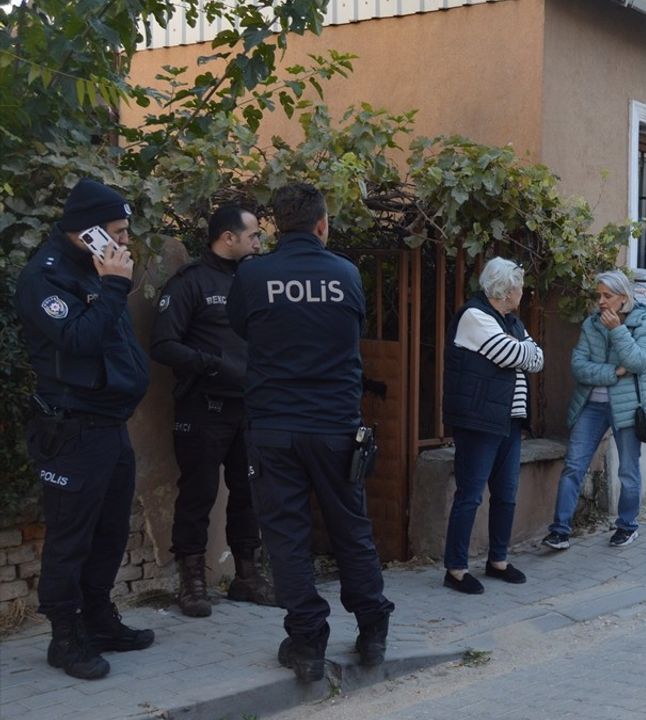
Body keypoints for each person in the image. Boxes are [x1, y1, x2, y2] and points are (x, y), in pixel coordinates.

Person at [226, 182, 394, 682]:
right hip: (336, 426)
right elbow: (352, 328)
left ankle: (306, 644)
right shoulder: (346, 274)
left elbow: (242, 328)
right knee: (351, 529)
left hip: (274, 427)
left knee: (287, 537)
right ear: (322, 225)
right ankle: (373, 630)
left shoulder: (253, 275)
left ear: (278, 225)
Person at [15, 178, 155, 680]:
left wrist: (110, 284)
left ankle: (98, 618)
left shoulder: (94, 268)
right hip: (72, 429)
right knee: (71, 537)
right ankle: (65, 637)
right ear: (88, 230)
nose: (124, 241)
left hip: (110, 424)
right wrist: (114, 285)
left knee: (111, 531)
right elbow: (77, 340)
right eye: (116, 231)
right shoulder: (45, 277)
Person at [151, 204, 273, 618]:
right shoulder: (191, 282)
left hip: (250, 407)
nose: (258, 243)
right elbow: (163, 345)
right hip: (204, 408)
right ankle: (192, 583)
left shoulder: (253, 280)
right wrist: (212, 364)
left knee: (250, 494)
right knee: (198, 495)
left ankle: (247, 576)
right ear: (228, 237)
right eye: (253, 235)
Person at [441, 257, 544, 595]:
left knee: (506, 495)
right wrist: (523, 350)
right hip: (478, 422)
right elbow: (509, 355)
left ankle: (497, 560)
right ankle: (455, 569)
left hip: (508, 422)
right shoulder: (474, 316)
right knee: (470, 496)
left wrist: (523, 350)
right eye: (519, 286)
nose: (523, 292)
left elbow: (538, 359)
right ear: (506, 289)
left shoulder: (511, 321)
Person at [541, 270, 646, 551]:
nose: (601, 301)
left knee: (628, 470)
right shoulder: (591, 324)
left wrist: (617, 330)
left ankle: (627, 526)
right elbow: (579, 366)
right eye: (599, 295)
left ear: (623, 297)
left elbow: (639, 361)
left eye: (607, 295)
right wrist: (613, 372)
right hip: (592, 406)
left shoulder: (643, 322)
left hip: (627, 408)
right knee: (573, 466)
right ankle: (560, 531)